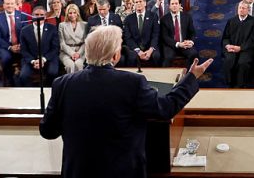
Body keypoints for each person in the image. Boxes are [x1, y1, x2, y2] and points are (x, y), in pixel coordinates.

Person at [39, 25, 212, 178]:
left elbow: (48, 130)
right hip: (122, 171)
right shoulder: (132, 83)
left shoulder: (62, 84)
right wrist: (191, 78)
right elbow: (165, 109)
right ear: (115, 55)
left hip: (78, 170)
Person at [18, 5, 59, 86]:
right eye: (36, 15)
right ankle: (31, 94)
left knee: (53, 72)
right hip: (31, 59)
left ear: (45, 16)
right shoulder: (24, 30)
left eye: (41, 15)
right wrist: (33, 61)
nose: (39, 17)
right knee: (23, 76)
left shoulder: (52, 28)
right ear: (32, 15)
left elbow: (55, 48)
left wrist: (43, 60)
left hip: (48, 58)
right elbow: (23, 50)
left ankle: (49, 91)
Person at [222, 1, 254, 88]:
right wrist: (227, 45)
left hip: (246, 49)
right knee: (229, 60)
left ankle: (241, 85)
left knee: (243, 63)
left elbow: (253, 40)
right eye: (240, 8)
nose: (241, 10)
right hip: (232, 48)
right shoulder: (231, 21)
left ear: (248, 10)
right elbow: (225, 37)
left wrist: (241, 48)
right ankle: (230, 83)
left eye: (243, 8)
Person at [160, 0, 197, 67]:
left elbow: (192, 33)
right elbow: (165, 37)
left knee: (193, 54)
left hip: (184, 43)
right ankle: (167, 76)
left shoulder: (187, 17)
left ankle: (187, 74)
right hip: (171, 45)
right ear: (169, 6)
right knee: (168, 57)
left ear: (180, 5)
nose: (174, 5)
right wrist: (178, 44)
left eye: (176, 4)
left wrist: (191, 42)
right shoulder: (164, 19)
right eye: (172, 4)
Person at [59, 4, 88, 73]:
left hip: (81, 51)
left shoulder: (84, 25)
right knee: (70, 65)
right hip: (66, 52)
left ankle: (79, 83)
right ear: (67, 14)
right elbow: (62, 43)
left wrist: (78, 53)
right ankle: (70, 83)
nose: (72, 15)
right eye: (70, 13)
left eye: (74, 13)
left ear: (77, 13)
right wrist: (72, 53)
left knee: (78, 64)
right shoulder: (62, 25)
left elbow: (85, 42)